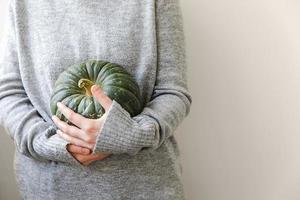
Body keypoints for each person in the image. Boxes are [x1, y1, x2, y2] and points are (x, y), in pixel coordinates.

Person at [0, 0, 192, 199]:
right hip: (51, 188)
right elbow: (9, 92)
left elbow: (172, 93)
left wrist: (128, 135)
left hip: (143, 188)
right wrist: (52, 144)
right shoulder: (23, 3)